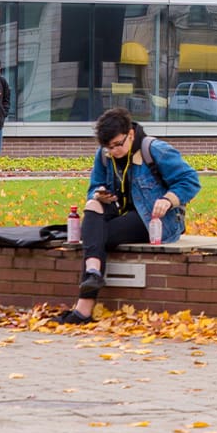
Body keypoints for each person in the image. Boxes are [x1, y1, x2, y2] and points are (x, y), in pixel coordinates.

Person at [54, 107, 201, 325]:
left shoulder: (154, 149)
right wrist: (99, 194)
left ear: (130, 134)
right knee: (93, 206)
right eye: (108, 147)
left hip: (155, 220)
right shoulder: (104, 155)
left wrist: (169, 199)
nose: (113, 151)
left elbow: (190, 180)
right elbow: (94, 186)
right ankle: (93, 273)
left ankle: (84, 308)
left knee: (96, 235)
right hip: (119, 211)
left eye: (117, 145)